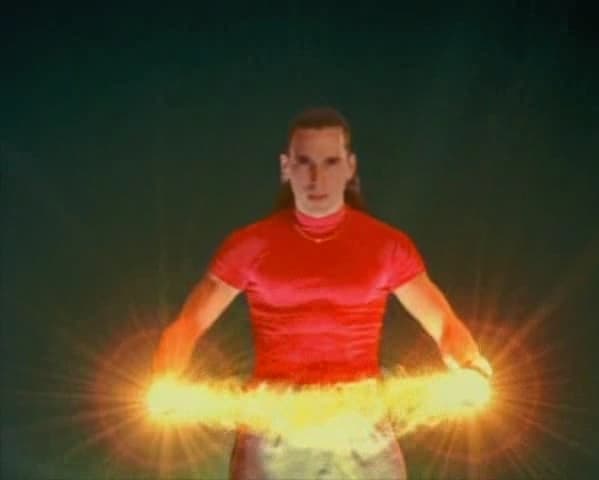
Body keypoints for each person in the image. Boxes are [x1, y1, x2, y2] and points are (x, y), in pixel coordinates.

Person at [152, 106, 492, 479]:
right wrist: (164, 377)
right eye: (305, 163)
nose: (317, 178)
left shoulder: (387, 246)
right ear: (286, 167)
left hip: (363, 428)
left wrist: (470, 364)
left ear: (350, 167)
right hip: (273, 428)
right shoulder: (249, 246)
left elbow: (443, 322)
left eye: (330, 162)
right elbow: (189, 324)